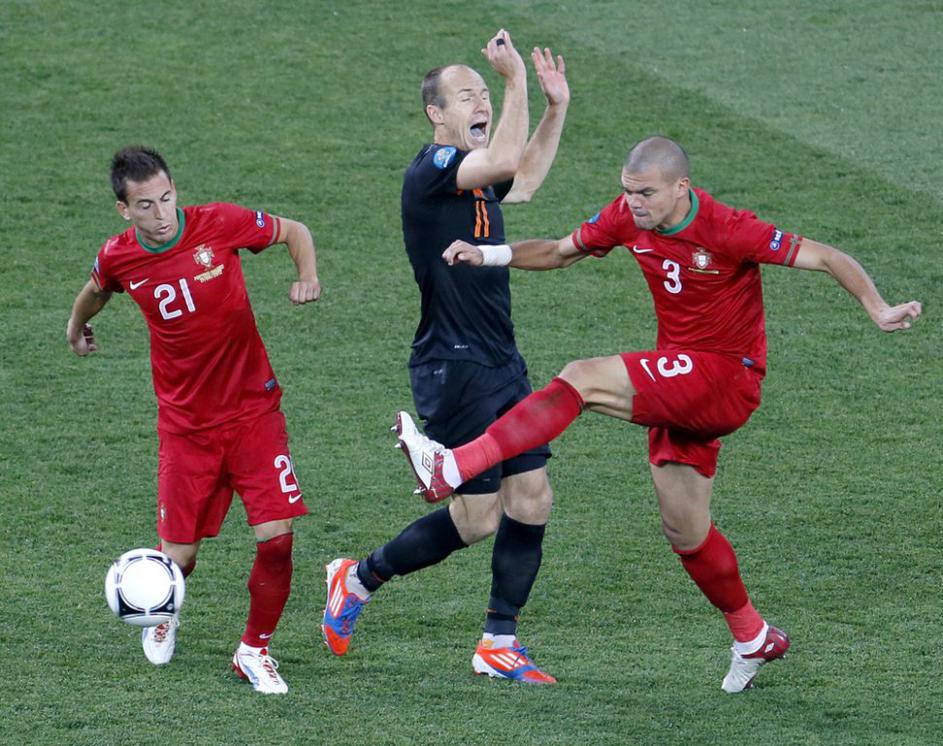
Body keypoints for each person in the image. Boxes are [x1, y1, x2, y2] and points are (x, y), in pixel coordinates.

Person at [395, 135, 923, 692]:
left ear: (680, 188)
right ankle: (752, 635)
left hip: (725, 377)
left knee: (582, 377)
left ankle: (456, 465)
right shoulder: (628, 217)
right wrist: (488, 254)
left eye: (645, 193)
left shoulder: (729, 228)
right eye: (628, 191)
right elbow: (559, 251)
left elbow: (827, 256)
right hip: (680, 383)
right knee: (685, 530)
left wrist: (878, 308)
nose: (634, 203)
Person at [321, 29, 570, 683]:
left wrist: (554, 107)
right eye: (466, 96)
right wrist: (514, 80)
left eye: (483, 92)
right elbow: (503, 157)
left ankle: (497, 641)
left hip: (502, 359)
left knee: (532, 497)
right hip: (454, 364)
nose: (479, 102)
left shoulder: (476, 178)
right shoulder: (431, 170)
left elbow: (524, 176)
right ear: (435, 113)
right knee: (478, 517)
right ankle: (358, 578)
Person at [67, 145, 321, 695]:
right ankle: (163, 608)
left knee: (277, 540)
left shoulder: (220, 223)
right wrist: (75, 328)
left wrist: (307, 274)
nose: (161, 214)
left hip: (253, 412)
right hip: (186, 428)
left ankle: (253, 651)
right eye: (145, 206)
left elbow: (293, 231)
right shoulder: (118, 257)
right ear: (124, 210)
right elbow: (96, 290)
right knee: (178, 559)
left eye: (166, 198)